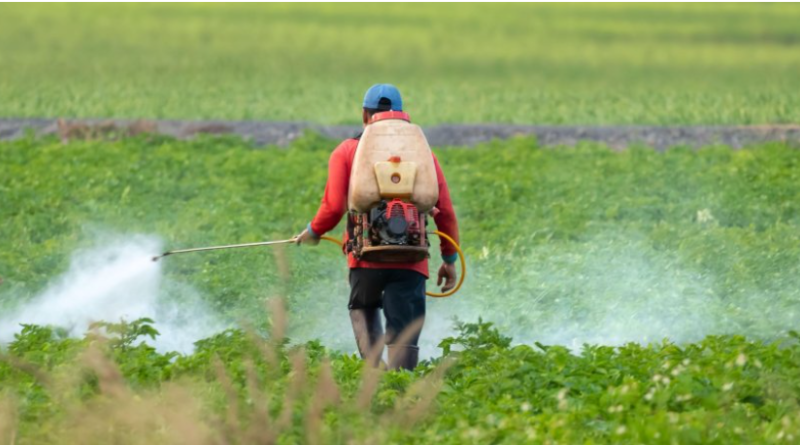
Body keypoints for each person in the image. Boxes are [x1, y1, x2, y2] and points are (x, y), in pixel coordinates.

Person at [295, 84, 460, 370]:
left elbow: (333, 207)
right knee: (404, 329)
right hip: (411, 260)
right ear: (402, 116)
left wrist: (313, 232)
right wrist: (449, 260)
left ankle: (374, 375)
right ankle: (401, 384)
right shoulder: (423, 155)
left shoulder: (346, 151)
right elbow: (444, 211)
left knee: (363, 308)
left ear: (364, 115)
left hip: (364, 258)